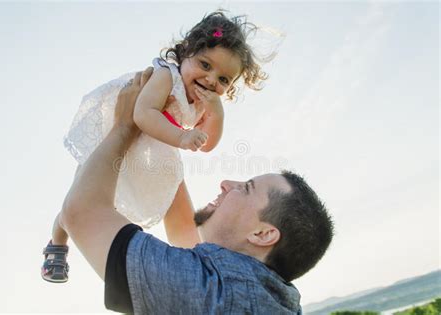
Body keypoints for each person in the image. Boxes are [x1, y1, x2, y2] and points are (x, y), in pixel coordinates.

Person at [55, 68, 334, 314]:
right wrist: (162, 131)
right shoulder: (258, 294)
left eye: (246, 188)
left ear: (263, 234)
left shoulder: (214, 296)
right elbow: (184, 238)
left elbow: (80, 214)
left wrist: (126, 125)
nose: (226, 183)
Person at [42, 11, 269, 283]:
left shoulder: (203, 102)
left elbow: (207, 145)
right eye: (205, 65)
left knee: (179, 203)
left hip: (158, 151)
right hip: (120, 140)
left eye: (223, 80)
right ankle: (57, 244)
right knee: (79, 200)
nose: (211, 80)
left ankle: (196, 263)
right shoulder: (165, 76)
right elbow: (142, 114)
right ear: (186, 52)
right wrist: (181, 137)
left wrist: (216, 115)